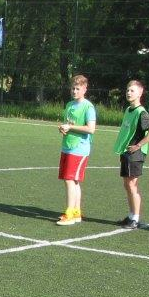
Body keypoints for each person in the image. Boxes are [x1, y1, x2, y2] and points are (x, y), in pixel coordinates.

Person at [114, 80, 149, 228]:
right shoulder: (128, 110)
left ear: (140, 93)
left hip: (135, 154)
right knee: (127, 185)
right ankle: (131, 215)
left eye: (132, 90)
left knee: (132, 185)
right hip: (126, 153)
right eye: (127, 90)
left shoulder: (141, 112)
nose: (128, 93)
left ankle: (135, 219)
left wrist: (138, 145)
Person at [56, 74, 95, 226]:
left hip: (79, 148)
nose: (74, 91)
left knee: (69, 179)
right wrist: (64, 128)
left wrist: (71, 127)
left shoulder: (88, 107)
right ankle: (77, 212)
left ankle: (70, 213)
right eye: (73, 88)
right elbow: (69, 124)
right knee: (73, 180)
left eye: (78, 88)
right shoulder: (69, 105)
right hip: (67, 146)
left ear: (85, 89)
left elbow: (91, 129)